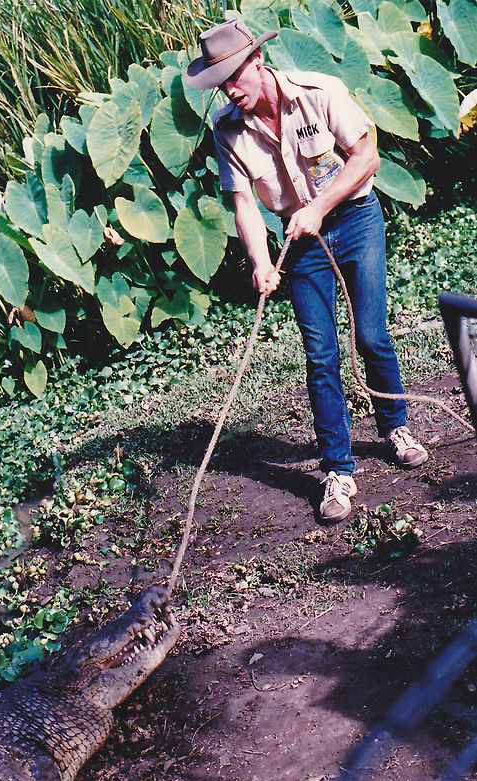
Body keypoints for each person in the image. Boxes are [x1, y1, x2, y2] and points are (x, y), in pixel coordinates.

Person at [184, 18, 428, 522]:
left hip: (356, 218)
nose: (231, 90)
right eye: (221, 83)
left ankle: (394, 426)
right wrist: (258, 263)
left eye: (236, 76)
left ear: (258, 62)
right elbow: (245, 205)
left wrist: (319, 207)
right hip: (300, 240)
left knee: (371, 335)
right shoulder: (228, 130)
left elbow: (366, 158)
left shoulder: (321, 92)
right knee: (320, 354)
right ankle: (338, 470)